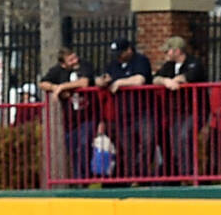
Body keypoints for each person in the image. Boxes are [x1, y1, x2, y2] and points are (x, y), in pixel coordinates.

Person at [37, 47, 95, 182]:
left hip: (87, 117)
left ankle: (87, 178)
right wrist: (54, 88)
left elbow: (84, 82)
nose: (75, 61)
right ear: (63, 64)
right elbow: (43, 83)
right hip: (70, 120)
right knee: (73, 150)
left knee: (84, 144)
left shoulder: (84, 66)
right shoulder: (58, 71)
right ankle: (78, 180)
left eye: (75, 57)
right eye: (71, 60)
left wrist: (62, 87)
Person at [151, 36, 205, 179]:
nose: (166, 54)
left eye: (167, 51)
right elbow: (155, 78)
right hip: (176, 112)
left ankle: (189, 173)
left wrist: (178, 80)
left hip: (194, 111)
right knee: (173, 139)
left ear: (176, 51)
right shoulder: (168, 66)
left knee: (184, 136)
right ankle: (177, 172)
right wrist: (165, 81)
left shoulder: (193, 62)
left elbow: (192, 75)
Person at [101, 37, 154, 181]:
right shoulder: (113, 64)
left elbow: (140, 80)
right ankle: (132, 178)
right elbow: (104, 78)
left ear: (128, 50)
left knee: (148, 142)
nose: (117, 57)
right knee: (128, 148)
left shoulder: (140, 60)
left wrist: (120, 82)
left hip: (142, 112)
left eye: (120, 53)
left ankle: (142, 174)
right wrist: (102, 81)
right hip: (122, 114)